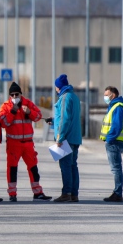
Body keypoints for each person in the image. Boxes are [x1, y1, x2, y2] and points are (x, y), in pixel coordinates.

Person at [0, 82, 52, 202]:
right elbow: (3, 123)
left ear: (20, 94)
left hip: (28, 143)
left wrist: (29, 112)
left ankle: (37, 192)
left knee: (33, 168)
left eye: (16, 94)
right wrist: (13, 112)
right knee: (12, 169)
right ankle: (12, 194)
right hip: (13, 143)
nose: (14, 97)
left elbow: (38, 116)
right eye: (11, 95)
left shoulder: (28, 103)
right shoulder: (5, 106)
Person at [50, 74, 83, 203]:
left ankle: (66, 193)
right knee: (73, 165)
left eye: (56, 87)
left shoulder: (64, 97)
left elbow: (65, 119)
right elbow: (68, 118)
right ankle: (74, 194)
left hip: (66, 138)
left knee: (65, 166)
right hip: (75, 137)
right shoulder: (74, 97)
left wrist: (60, 137)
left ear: (59, 87)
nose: (55, 89)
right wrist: (53, 122)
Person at [100, 86, 123, 203]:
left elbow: (117, 126)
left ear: (113, 95)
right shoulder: (115, 106)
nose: (105, 97)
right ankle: (117, 192)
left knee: (116, 169)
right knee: (116, 168)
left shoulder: (118, 107)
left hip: (114, 142)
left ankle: (117, 193)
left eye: (107, 94)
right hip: (115, 141)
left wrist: (109, 139)